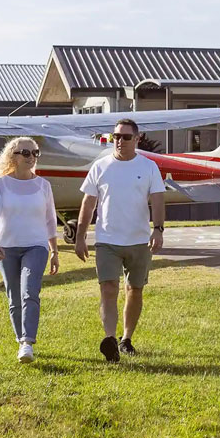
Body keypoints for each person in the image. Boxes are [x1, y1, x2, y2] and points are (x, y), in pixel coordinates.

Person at [74, 118, 165, 362]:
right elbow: (88, 202)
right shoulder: (100, 166)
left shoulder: (148, 167)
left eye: (125, 137)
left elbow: (157, 199)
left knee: (134, 290)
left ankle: (126, 339)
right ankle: (110, 339)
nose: (119, 141)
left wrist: (158, 229)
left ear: (137, 139)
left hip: (138, 240)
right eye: (116, 136)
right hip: (107, 240)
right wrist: (81, 235)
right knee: (108, 288)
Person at [0, 136, 60, 363]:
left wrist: (54, 251)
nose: (31, 157)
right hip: (6, 248)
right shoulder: (0, 185)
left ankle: (27, 343)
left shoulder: (43, 186)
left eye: (35, 153)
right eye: (25, 153)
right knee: (14, 296)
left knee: (29, 291)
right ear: (12, 156)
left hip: (36, 246)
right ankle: (20, 339)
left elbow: (50, 221)